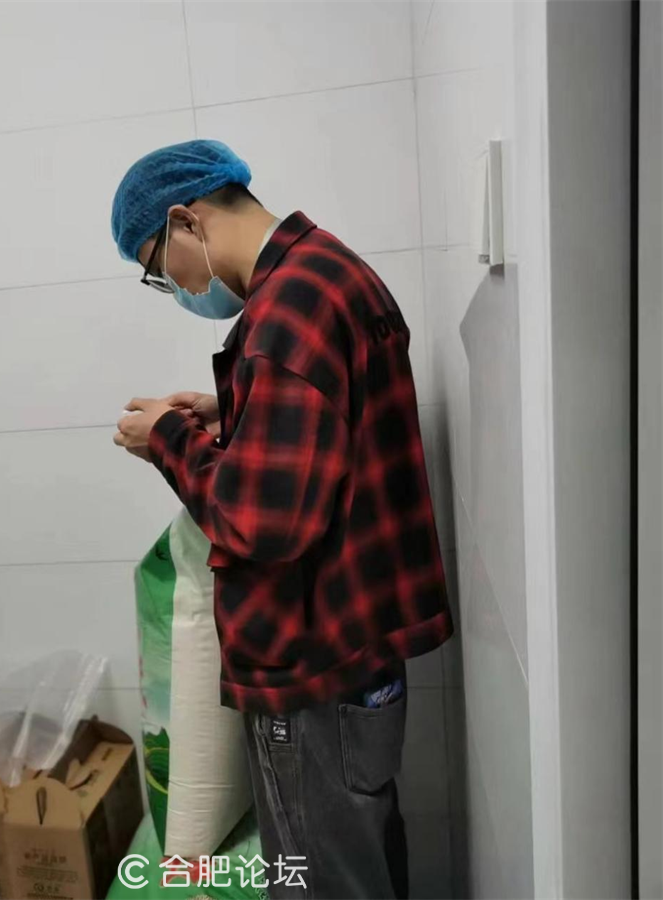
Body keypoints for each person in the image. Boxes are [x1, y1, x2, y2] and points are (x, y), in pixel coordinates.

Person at [110, 139, 453, 900]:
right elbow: (328, 434)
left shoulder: (286, 313)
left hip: (313, 665)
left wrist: (166, 441)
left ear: (185, 220)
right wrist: (232, 409)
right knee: (362, 862)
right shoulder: (329, 271)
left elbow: (262, 524)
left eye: (158, 268)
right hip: (358, 651)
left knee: (319, 882)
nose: (174, 288)